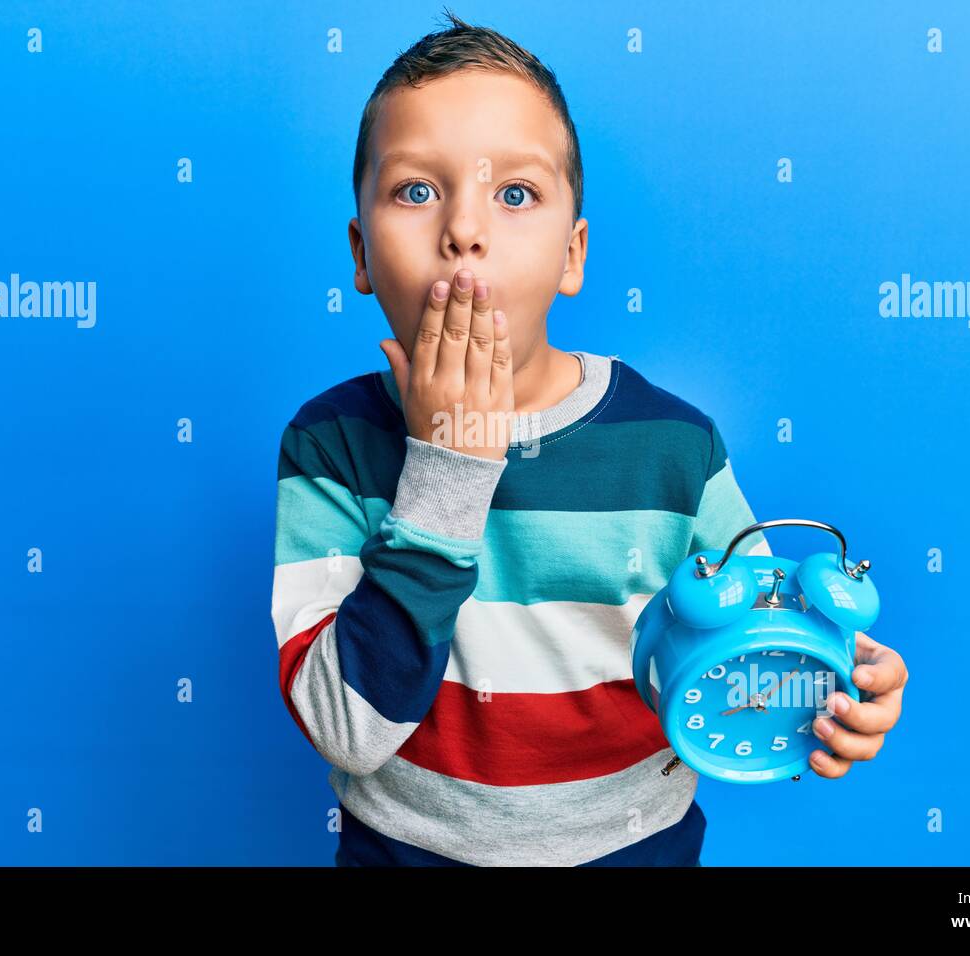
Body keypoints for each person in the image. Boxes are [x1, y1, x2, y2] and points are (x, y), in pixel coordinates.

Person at [272, 9, 908, 866]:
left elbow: (747, 652)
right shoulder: (331, 447)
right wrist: (448, 468)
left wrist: (837, 686)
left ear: (572, 256)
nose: (465, 230)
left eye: (514, 194)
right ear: (360, 251)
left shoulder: (674, 448)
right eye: (417, 191)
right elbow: (347, 731)